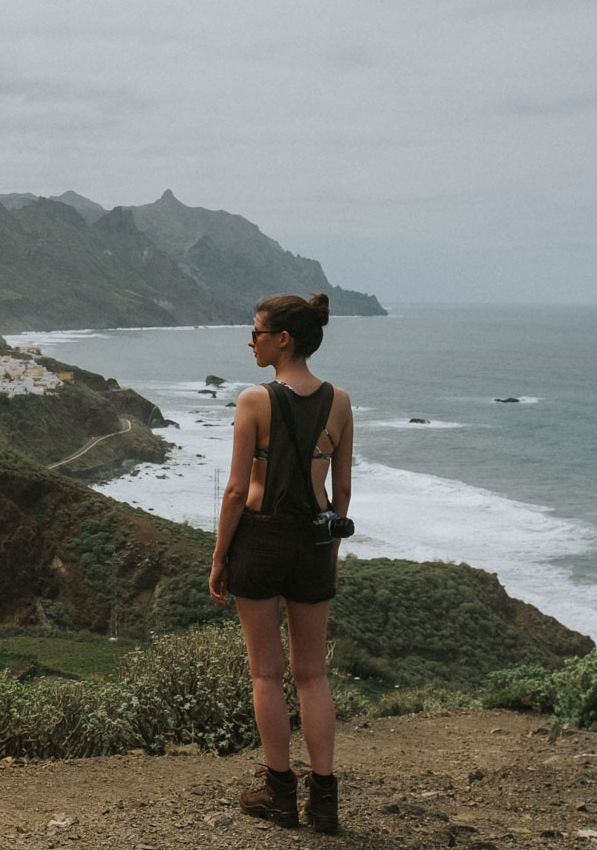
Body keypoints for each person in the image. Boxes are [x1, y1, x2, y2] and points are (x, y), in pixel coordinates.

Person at [208, 292, 353, 834]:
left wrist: (220, 556)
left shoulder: (255, 400)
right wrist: (331, 555)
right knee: (313, 675)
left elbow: (234, 491)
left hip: (261, 540)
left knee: (266, 673)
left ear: (282, 339)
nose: (251, 341)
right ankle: (325, 803)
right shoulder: (339, 400)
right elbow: (341, 494)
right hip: (314, 544)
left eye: (257, 333)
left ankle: (279, 795)